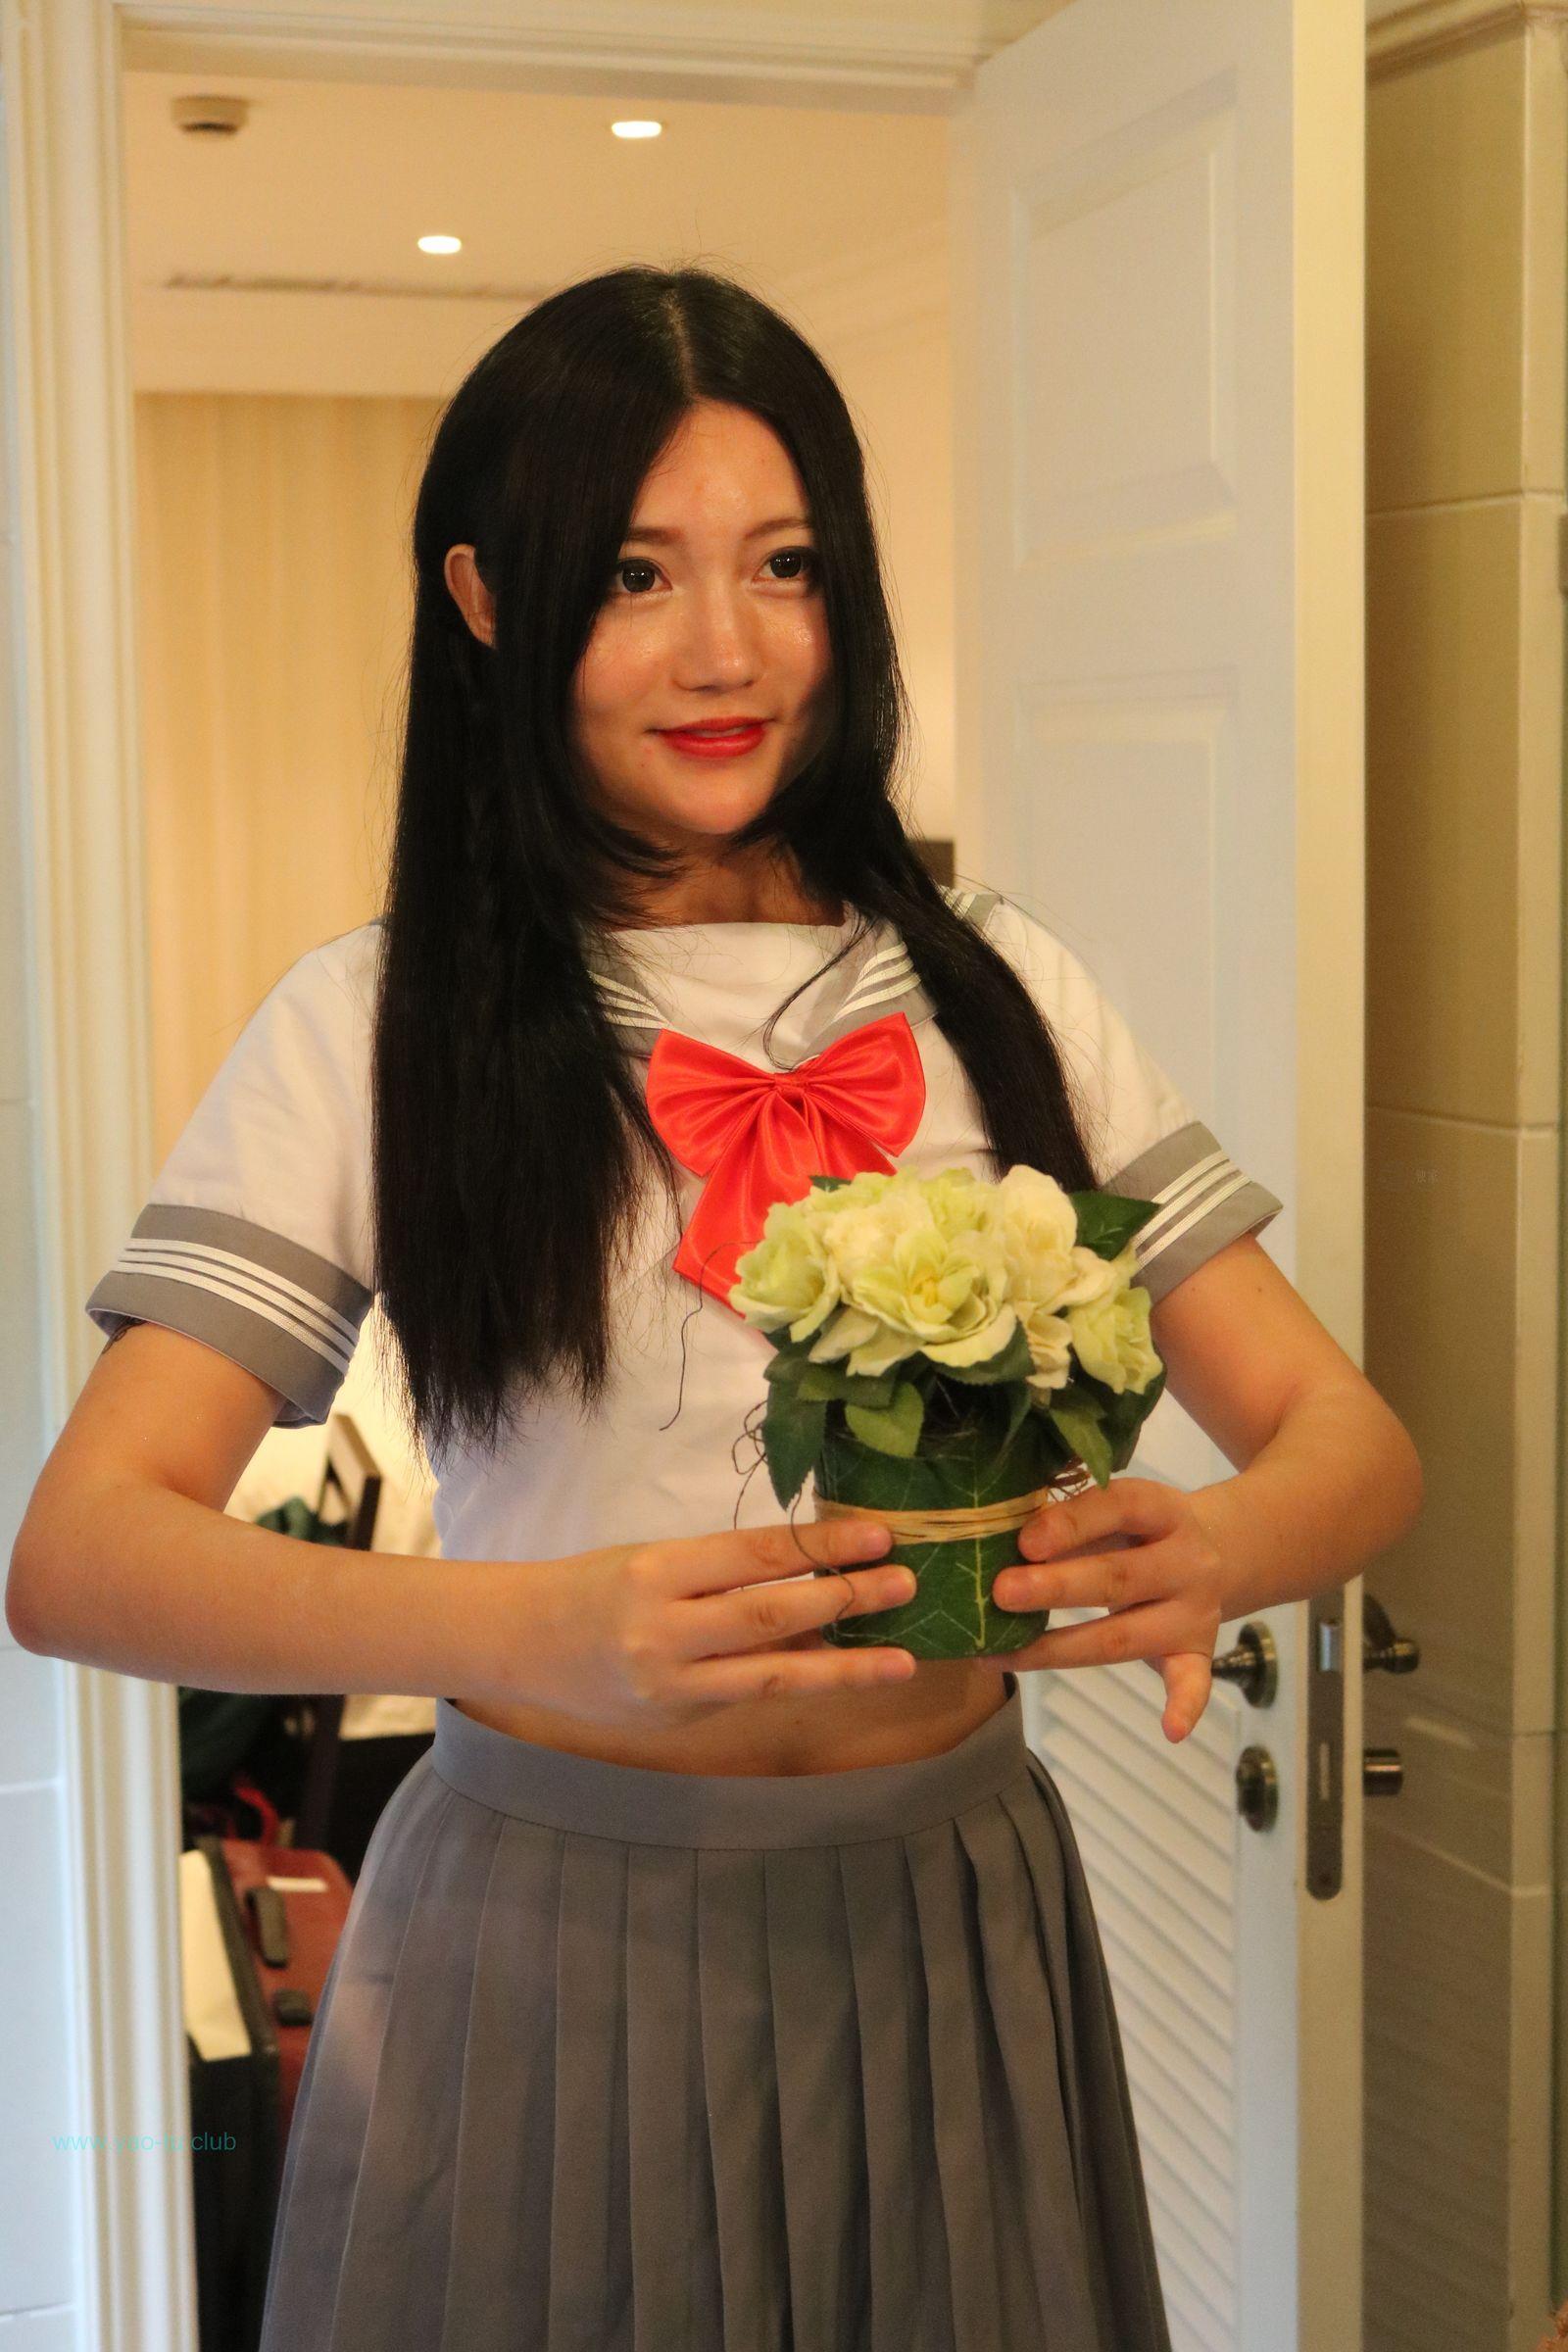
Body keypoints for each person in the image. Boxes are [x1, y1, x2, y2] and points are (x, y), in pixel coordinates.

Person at [7, 265, 1423, 2351]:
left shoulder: (998, 985)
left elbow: (1352, 1446)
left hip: (950, 1915)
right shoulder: (370, 1022)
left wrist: (1206, 1546)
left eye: (785, 566)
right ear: (489, 598)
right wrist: (537, 1627)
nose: (727, 652)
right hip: (540, 1934)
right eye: (635, 575)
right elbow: (80, 1555)